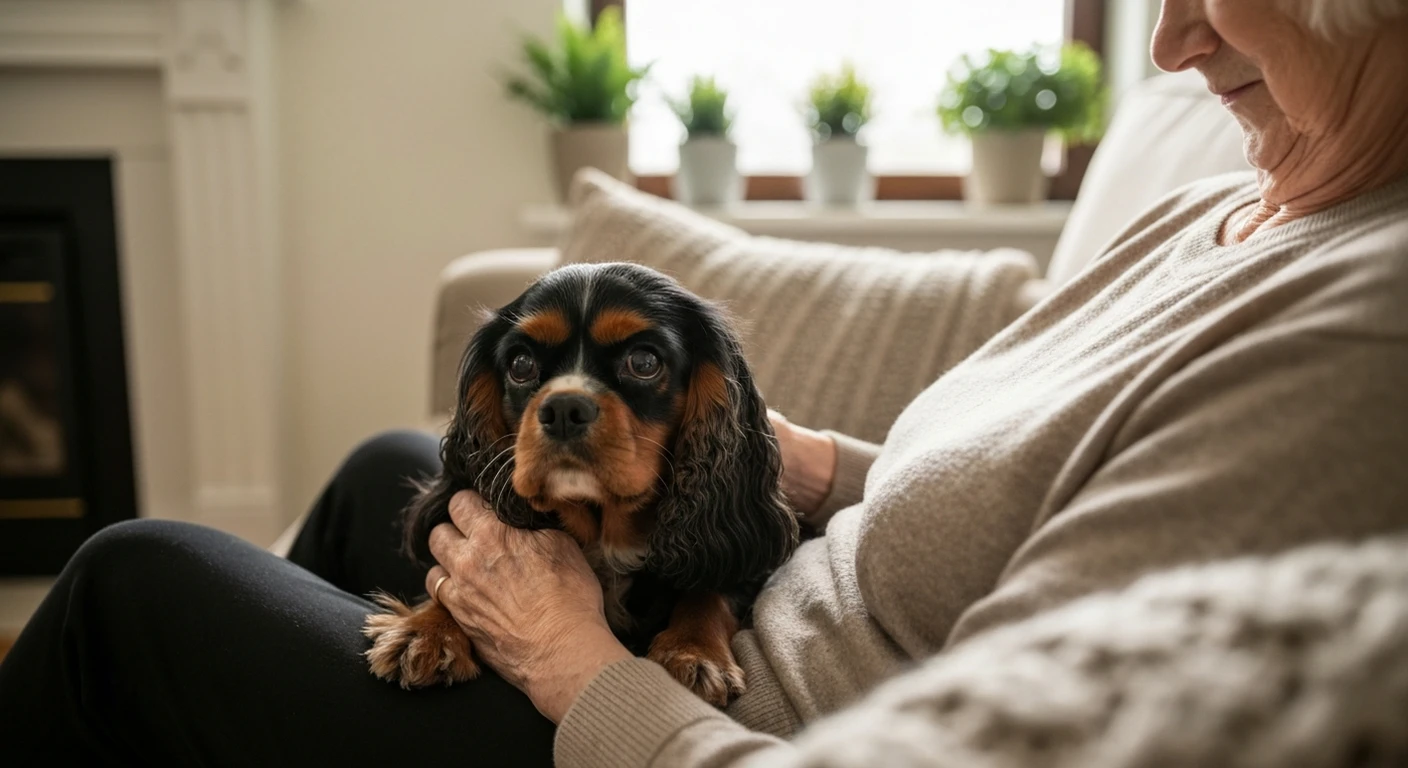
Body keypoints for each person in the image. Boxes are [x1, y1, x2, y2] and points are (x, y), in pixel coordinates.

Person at [3, 0, 1407, 764]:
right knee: (393, 469)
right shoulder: (1240, 200)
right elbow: (1044, 488)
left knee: (138, 583)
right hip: (748, 618)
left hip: (692, 723)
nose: (1165, 43)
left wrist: (575, 665)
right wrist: (818, 470)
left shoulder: (1363, 326)